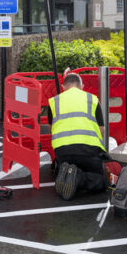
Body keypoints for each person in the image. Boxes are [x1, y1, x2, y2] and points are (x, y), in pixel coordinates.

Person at [48, 73, 109, 201]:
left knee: (68, 169)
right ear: (82, 86)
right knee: (103, 180)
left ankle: (66, 171)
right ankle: (78, 177)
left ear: (63, 86)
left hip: (62, 152)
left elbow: (52, 128)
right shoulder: (92, 99)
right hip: (88, 151)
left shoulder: (54, 101)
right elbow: (101, 130)